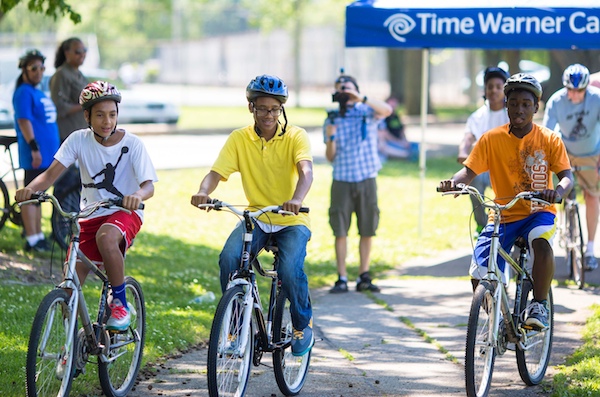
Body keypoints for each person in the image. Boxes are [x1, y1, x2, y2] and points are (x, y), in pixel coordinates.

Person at [15, 81, 158, 331]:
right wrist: (30, 190)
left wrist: (137, 194)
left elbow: (149, 186)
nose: (107, 121)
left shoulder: (132, 144)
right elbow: (49, 176)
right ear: (87, 116)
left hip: (125, 212)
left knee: (106, 237)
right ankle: (77, 345)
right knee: (69, 288)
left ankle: (120, 303)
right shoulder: (78, 140)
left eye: (112, 115)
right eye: (100, 115)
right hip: (90, 215)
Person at [190, 75, 314, 357]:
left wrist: (296, 200)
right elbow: (216, 174)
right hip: (256, 217)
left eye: (274, 109)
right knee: (230, 258)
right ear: (251, 108)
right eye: (262, 109)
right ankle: (234, 326)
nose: (269, 115)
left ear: (281, 109)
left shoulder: (295, 135)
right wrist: (202, 192)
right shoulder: (239, 138)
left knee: (289, 269)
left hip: (291, 219)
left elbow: (306, 172)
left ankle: (301, 325)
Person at [439, 73, 573, 329]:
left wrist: (557, 192)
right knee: (478, 274)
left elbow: (567, 177)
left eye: (525, 104)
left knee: (542, 245)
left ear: (536, 107)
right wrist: (453, 183)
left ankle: (539, 303)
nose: (519, 110)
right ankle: (498, 321)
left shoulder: (549, 139)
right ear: (506, 104)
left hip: (538, 212)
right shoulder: (491, 139)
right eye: (513, 103)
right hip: (502, 215)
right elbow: (467, 172)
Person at [324, 73, 393, 294]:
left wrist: (360, 98)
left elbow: (387, 111)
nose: (344, 92)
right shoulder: (332, 118)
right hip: (342, 179)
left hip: (366, 177)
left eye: (348, 88)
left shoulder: (367, 111)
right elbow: (330, 157)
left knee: (367, 228)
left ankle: (364, 274)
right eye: (340, 89)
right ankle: (342, 277)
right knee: (340, 230)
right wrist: (331, 137)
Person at [543, 63, 600, 271]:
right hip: (565, 153)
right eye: (571, 90)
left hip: (592, 153)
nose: (575, 95)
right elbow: (547, 132)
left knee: (592, 195)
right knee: (558, 193)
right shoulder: (556, 101)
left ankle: (590, 250)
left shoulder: (597, 98)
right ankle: (565, 231)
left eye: (580, 91)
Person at [12, 49, 60, 253]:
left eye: (41, 67)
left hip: (48, 153)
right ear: (24, 70)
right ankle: (31, 239)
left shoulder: (38, 91)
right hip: (36, 153)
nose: (38, 72)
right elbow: (24, 120)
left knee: (38, 196)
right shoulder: (23, 91)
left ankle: (38, 236)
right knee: (30, 195)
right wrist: (34, 148)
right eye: (34, 68)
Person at [458, 66, 510, 237]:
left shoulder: (512, 113)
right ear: (485, 90)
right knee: (474, 180)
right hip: (485, 166)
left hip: (507, 167)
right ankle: (481, 224)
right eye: (490, 87)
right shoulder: (477, 116)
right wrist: (463, 152)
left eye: (498, 86)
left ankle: (509, 223)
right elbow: (467, 138)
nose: (494, 90)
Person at [50, 37, 89, 210]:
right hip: (66, 136)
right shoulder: (61, 75)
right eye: (77, 51)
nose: (82, 55)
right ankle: (59, 228)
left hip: (82, 135)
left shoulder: (79, 74)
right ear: (67, 53)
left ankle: (74, 225)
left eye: (84, 51)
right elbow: (59, 107)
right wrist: (84, 104)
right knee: (65, 182)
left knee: (79, 183)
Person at [377, 96, 411, 161]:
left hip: (398, 141)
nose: (393, 105)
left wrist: (404, 140)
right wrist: (398, 141)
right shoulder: (383, 118)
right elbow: (384, 134)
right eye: (391, 103)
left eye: (395, 103)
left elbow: (402, 131)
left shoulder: (396, 116)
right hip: (390, 142)